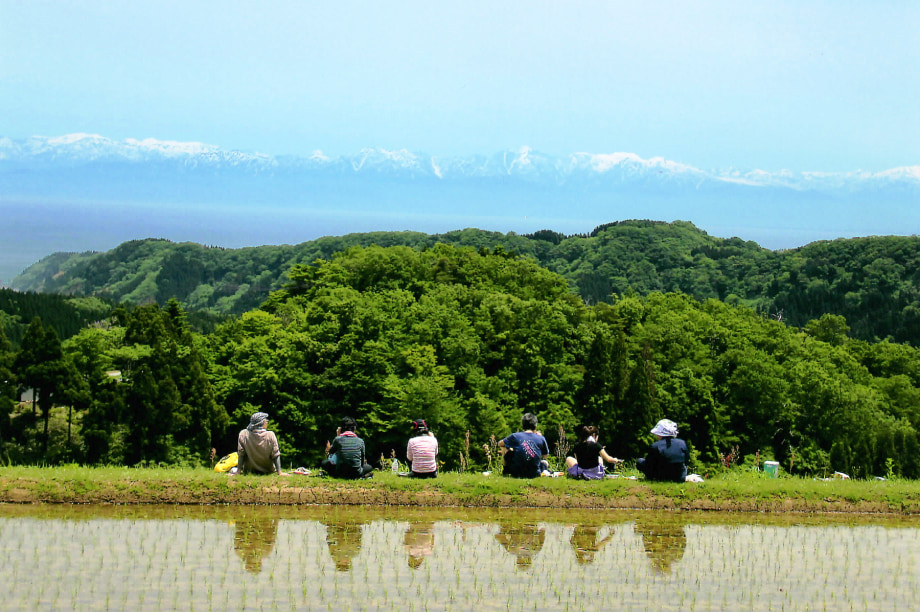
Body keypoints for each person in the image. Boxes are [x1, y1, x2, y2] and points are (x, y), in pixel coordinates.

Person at [500, 412, 550, 478]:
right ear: (535, 426)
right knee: (545, 462)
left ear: (523, 426)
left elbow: (500, 444)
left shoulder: (515, 436)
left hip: (516, 473)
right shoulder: (541, 438)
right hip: (535, 473)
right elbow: (545, 456)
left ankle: (505, 471)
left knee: (506, 446)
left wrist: (511, 449)